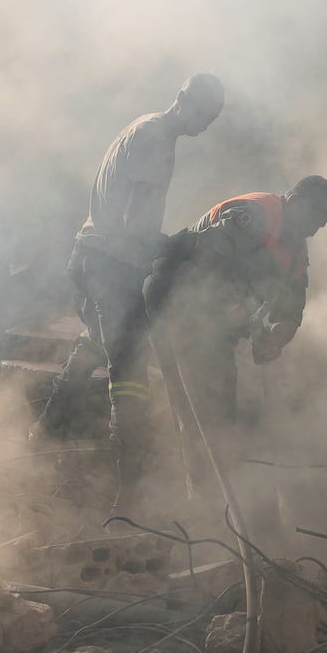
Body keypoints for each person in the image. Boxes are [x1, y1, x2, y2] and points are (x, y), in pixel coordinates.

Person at [38, 73, 225, 511]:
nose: (203, 125)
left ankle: (49, 426)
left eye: (211, 119)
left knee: (97, 341)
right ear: (182, 99)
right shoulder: (156, 141)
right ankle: (132, 486)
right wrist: (176, 244)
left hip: (94, 257)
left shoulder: (145, 128)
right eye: (201, 113)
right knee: (130, 373)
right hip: (108, 264)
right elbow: (135, 226)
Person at [145, 174, 327, 449]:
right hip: (178, 310)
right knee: (199, 413)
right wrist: (224, 311)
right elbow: (201, 267)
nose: (315, 231)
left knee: (220, 411)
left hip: (217, 331)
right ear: (296, 202)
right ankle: (198, 485)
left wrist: (276, 339)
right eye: (315, 219)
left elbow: (291, 310)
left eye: (322, 225)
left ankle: (210, 481)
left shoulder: (295, 251)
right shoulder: (257, 215)